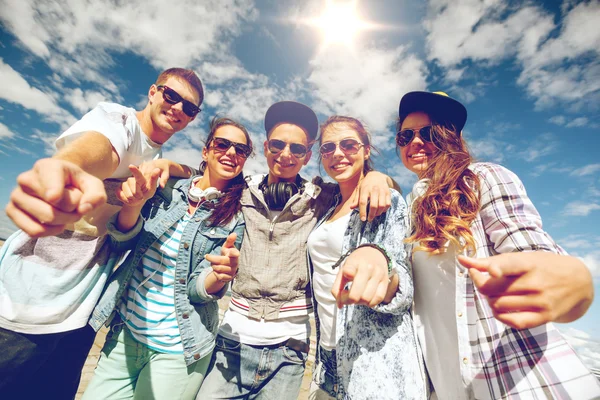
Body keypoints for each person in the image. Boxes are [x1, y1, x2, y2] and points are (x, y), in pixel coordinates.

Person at [0, 67, 203, 399]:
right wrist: (67, 167)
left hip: (81, 313)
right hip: (26, 303)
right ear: (153, 92)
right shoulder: (118, 120)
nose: (178, 108)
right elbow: (100, 150)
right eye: (171, 96)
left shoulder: (156, 156)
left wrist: (174, 167)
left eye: (189, 107)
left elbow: (193, 170)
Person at [396, 91, 600, 399]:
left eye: (428, 132)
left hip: (521, 381)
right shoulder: (410, 207)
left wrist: (571, 280)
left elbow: (531, 249)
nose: (415, 142)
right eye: (405, 136)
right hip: (448, 386)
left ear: (451, 136)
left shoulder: (480, 178)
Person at [197, 102, 393, 400]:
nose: (286, 154)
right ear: (265, 147)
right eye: (277, 145)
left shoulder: (325, 197)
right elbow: (204, 176)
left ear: (307, 156)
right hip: (231, 342)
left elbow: (362, 186)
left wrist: (380, 178)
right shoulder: (240, 192)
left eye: (297, 149)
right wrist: (166, 166)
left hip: (291, 351)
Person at [82, 117, 252, 400]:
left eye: (241, 150)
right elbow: (121, 241)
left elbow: (197, 290)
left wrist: (219, 277)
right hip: (126, 332)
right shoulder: (166, 189)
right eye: (223, 144)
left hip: (179, 348)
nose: (231, 153)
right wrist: (132, 207)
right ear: (206, 151)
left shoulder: (236, 217)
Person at [306, 116, 426, 400]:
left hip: (374, 360)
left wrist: (385, 270)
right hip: (328, 355)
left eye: (348, 144)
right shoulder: (326, 208)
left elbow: (404, 286)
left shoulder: (386, 200)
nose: (337, 153)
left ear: (366, 150)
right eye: (328, 148)